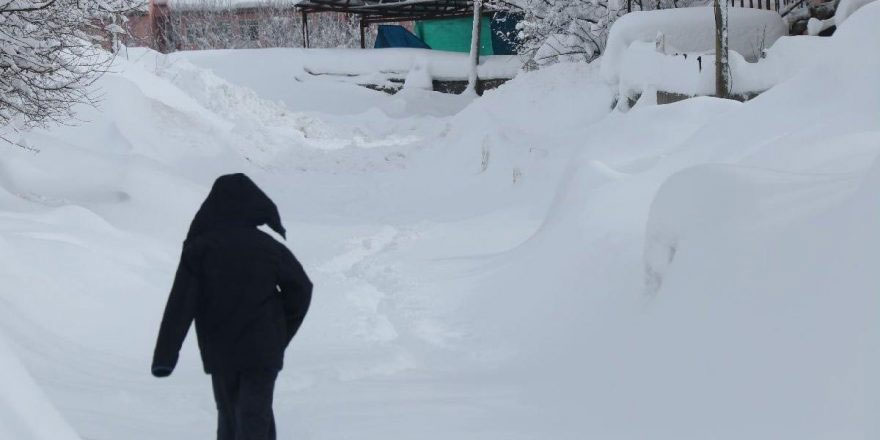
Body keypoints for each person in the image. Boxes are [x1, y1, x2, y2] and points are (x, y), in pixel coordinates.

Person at [151, 173, 312, 440]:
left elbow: (180, 305)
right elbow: (302, 289)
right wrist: (280, 331)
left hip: (221, 351)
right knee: (255, 416)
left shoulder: (200, 249)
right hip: (263, 350)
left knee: (231, 416)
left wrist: (165, 358)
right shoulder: (269, 248)